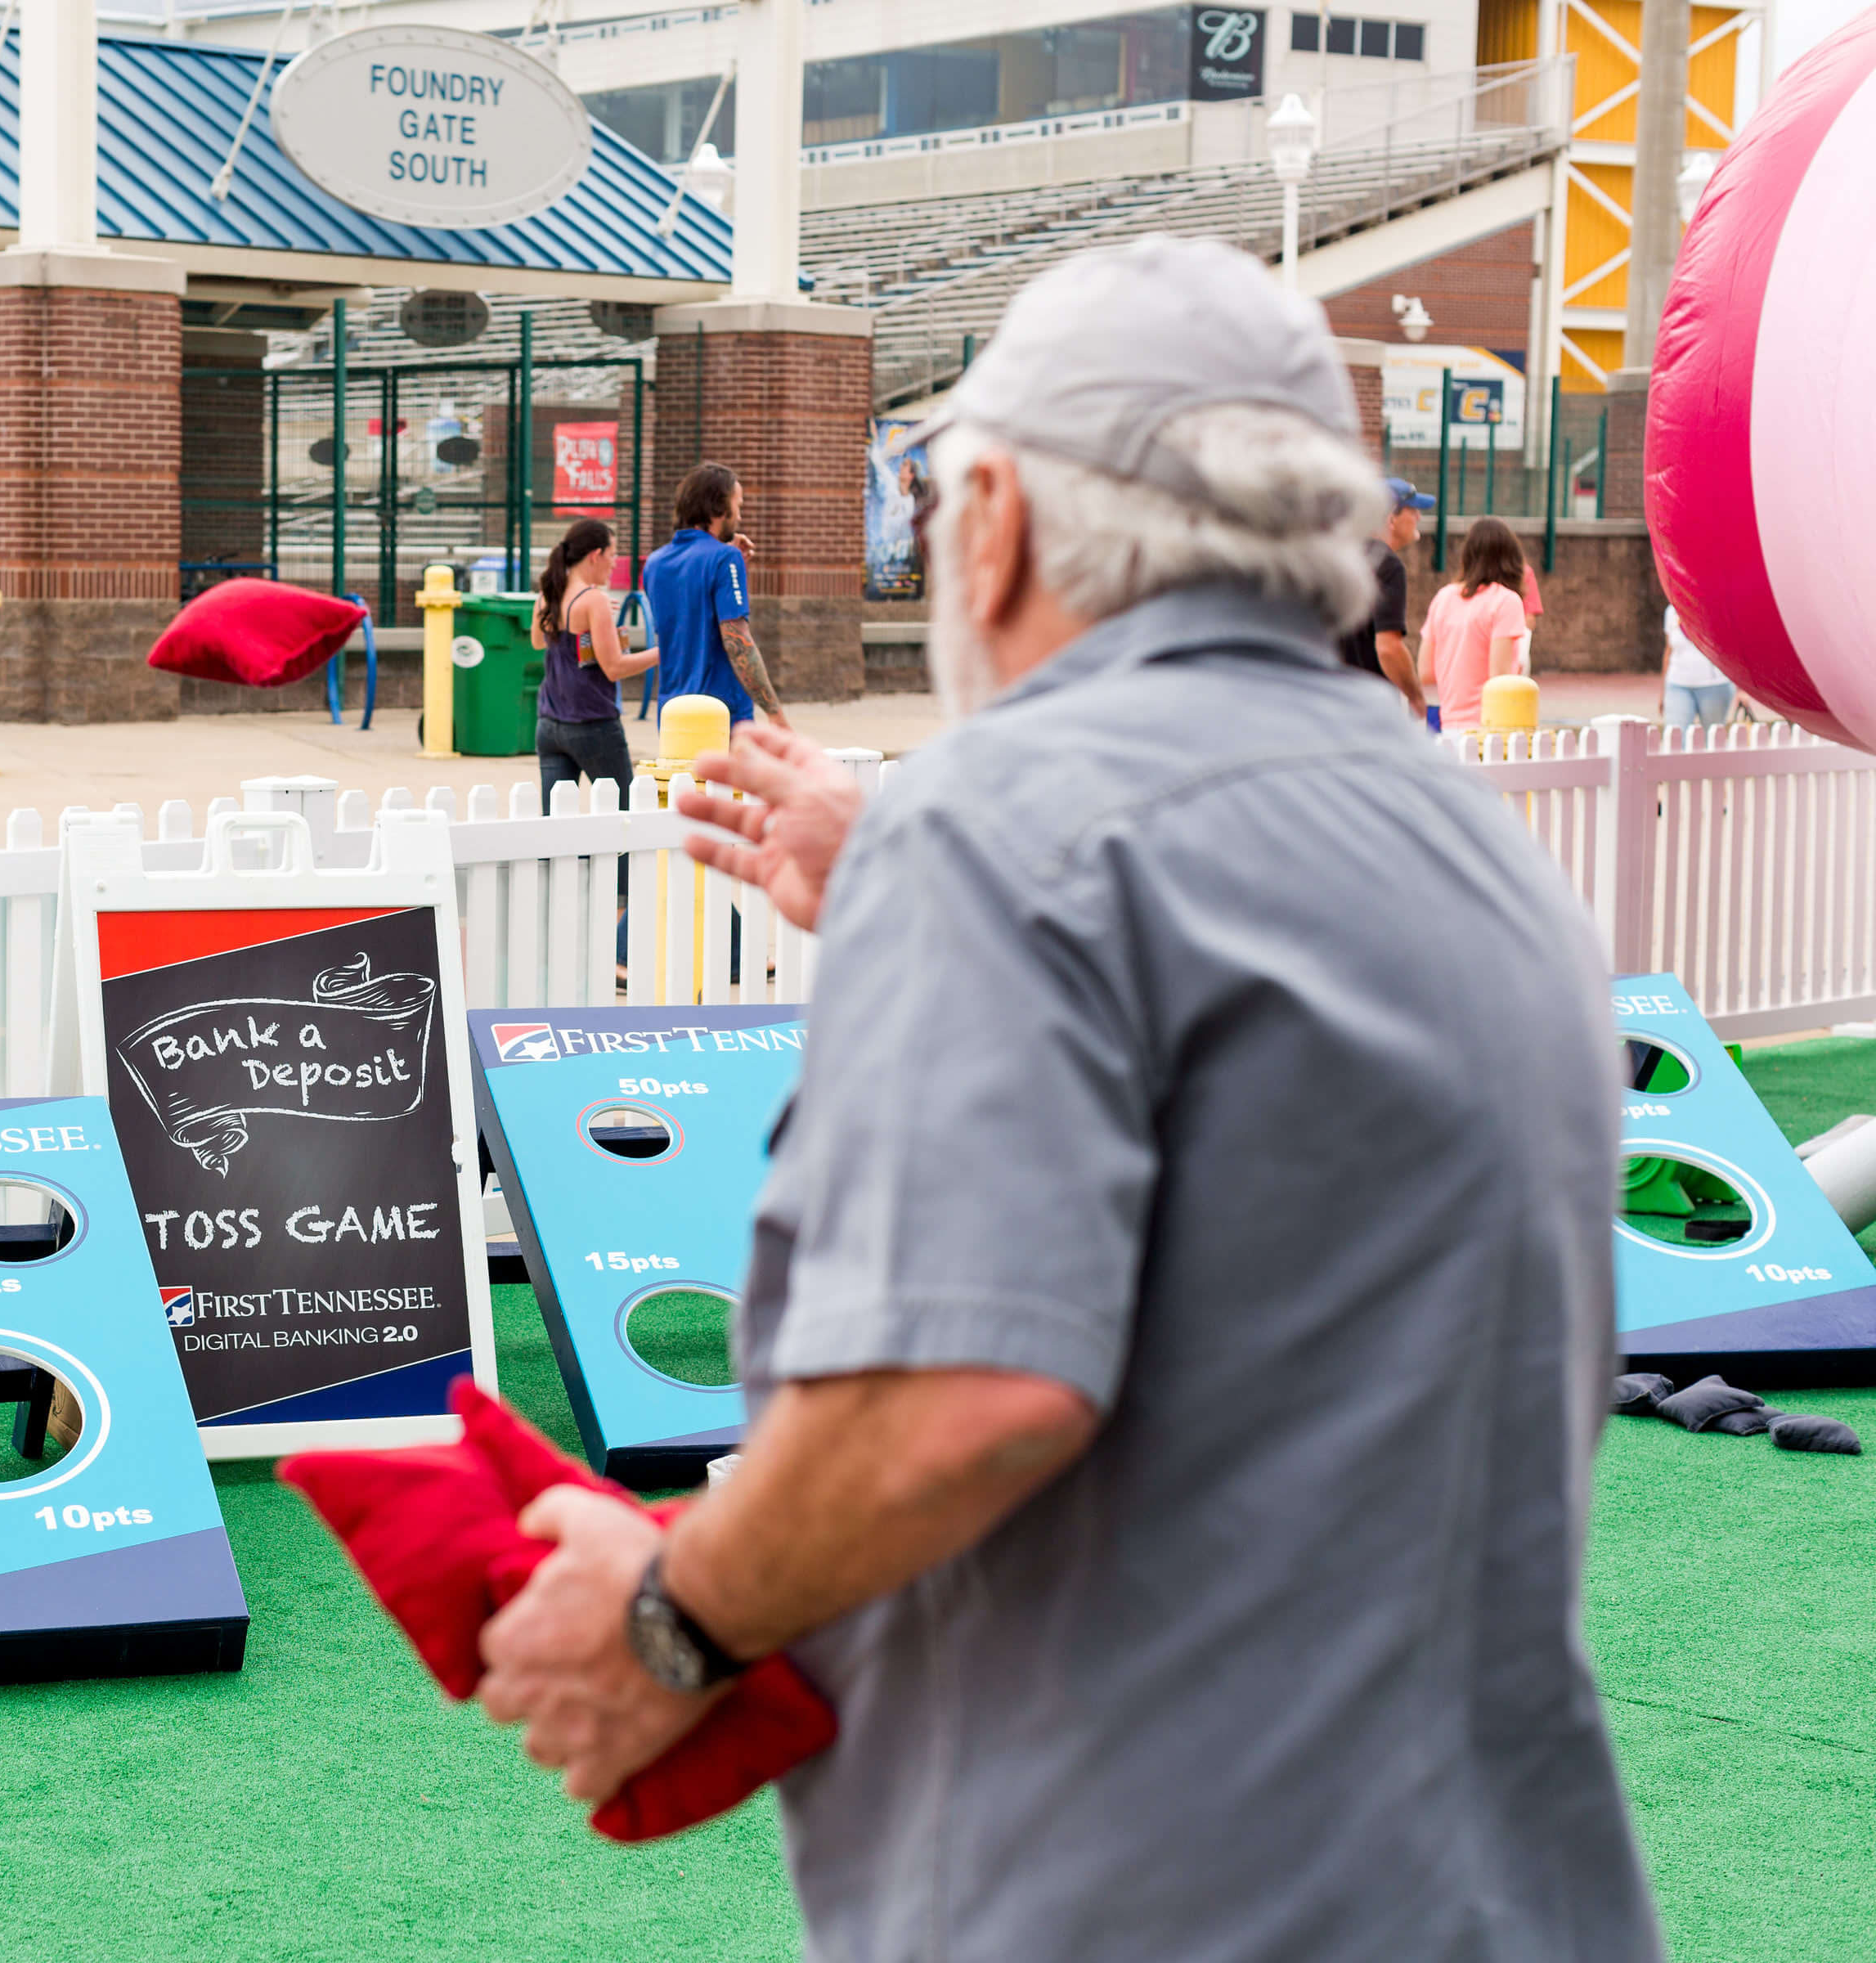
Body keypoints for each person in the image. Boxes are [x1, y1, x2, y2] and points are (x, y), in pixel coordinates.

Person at [472, 235, 1658, 1962]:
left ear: (1004, 518)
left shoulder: (1010, 835)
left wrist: (672, 1621)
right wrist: (918, 874)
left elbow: (962, 1396)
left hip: (1134, 1894)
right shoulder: (1483, 857)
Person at [640, 463, 788, 726]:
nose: (739, 516)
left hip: (672, 715)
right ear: (719, 507)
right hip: (720, 715)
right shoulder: (725, 558)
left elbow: (688, 619)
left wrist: (731, 568)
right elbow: (738, 642)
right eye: (738, 506)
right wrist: (775, 714)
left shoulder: (655, 563)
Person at [532, 518, 657, 813]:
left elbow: (539, 642)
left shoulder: (547, 595)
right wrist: (663, 653)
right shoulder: (593, 601)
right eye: (613, 555)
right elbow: (614, 667)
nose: (615, 564)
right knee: (622, 815)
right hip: (592, 724)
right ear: (594, 556)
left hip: (549, 725)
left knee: (556, 824)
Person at [1420, 515, 1529, 732]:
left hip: (1447, 725)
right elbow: (1499, 679)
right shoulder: (1506, 601)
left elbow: (1425, 672)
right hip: (1489, 728)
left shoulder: (1444, 597)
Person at [1337, 477, 1431, 714]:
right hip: (1368, 704)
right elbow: (1388, 648)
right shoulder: (1388, 566)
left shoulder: (1339, 557)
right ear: (1391, 517)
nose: (1418, 517)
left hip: (1330, 697)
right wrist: (1416, 697)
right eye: (1413, 510)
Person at [1663, 605, 1732, 727]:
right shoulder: (1671, 611)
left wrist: (1743, 691)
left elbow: (1735, 649)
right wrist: (1663, 691)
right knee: (1675, 737)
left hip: (1714, 686)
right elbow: (1669, 650)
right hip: (1677, 684)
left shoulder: (1717, 608)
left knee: (1712, 740)